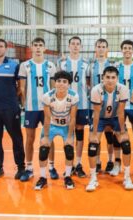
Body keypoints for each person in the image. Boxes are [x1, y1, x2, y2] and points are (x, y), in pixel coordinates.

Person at [87, 66, 131, 191]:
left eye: (113, 78)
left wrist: (122, 131)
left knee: (126, 143)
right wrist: (94, 133)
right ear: (103, 78)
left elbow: (121, 112)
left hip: (116, 117)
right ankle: (93, 178)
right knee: (93, 144)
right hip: (100, 118)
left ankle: (127, 177)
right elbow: (96, 113)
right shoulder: (96, 90)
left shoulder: (123, 89)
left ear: (117, 78)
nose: (110, 80)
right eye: (107, 77)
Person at [19, 37, 57, 181]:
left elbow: (53, 87)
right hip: (31, 108)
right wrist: (24, 105)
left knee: (49, 137)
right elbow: (22, 88)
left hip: (47, 107)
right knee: (30, 138)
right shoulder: (25, 65)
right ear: (32, 47)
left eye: (41, 45)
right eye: (36, 45)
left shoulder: (51, 66)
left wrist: (54, 105)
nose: (38, 47)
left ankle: (52, 167)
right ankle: (29, 168)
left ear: (44, 48)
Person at [34, 71, 78, 190]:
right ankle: (42, 178)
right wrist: (46, 137)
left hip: (66, 126)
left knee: (69, 149)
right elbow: (47, 118)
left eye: (64, 82)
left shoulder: (73, 96)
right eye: (59, 81)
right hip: (52, 125)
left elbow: (73, 117)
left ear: (69, 84)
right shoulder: (47, 96)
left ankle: (68, 177)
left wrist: (69, 136)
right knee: (44, 148)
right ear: (55, 82)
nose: (61, 84)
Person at [0, 38, 25, 180]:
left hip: (10, 108)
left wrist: (12, 99)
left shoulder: (14, 65)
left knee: (17, 138)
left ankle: (21, 167)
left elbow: (20, 87)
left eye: (1, 46)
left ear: (5, 49)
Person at [57, 36, 89, 178]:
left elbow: (89, 83)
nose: (75, 46)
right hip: (66, 104)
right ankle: (69, 166)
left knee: (80, 133)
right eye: (73, 44)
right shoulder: (62, 63)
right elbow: (57, 82)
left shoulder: (86, 63)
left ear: (81, 47)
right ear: (69, 46)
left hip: (82, 104)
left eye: (78, 44)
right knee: (68, 135)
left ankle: (78, 163)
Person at [86, 38, 117, 174]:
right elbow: (88, 82)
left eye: (103, 46)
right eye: (98, 46)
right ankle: (97, 162)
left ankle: (110, 160)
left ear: (107, 49)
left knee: (109, 135)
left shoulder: (112, 64)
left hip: (110, 105)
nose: (101, 49)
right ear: (95, 48)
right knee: (95, 136)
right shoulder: (90, 65)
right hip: (94, 104)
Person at [116, 39, 133, 176]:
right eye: (125, 48)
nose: (127, 50)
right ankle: (117, 163)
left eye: (129, 48)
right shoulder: (116, 66)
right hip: (119, 104)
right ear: (122, 50)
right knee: (119, 133)